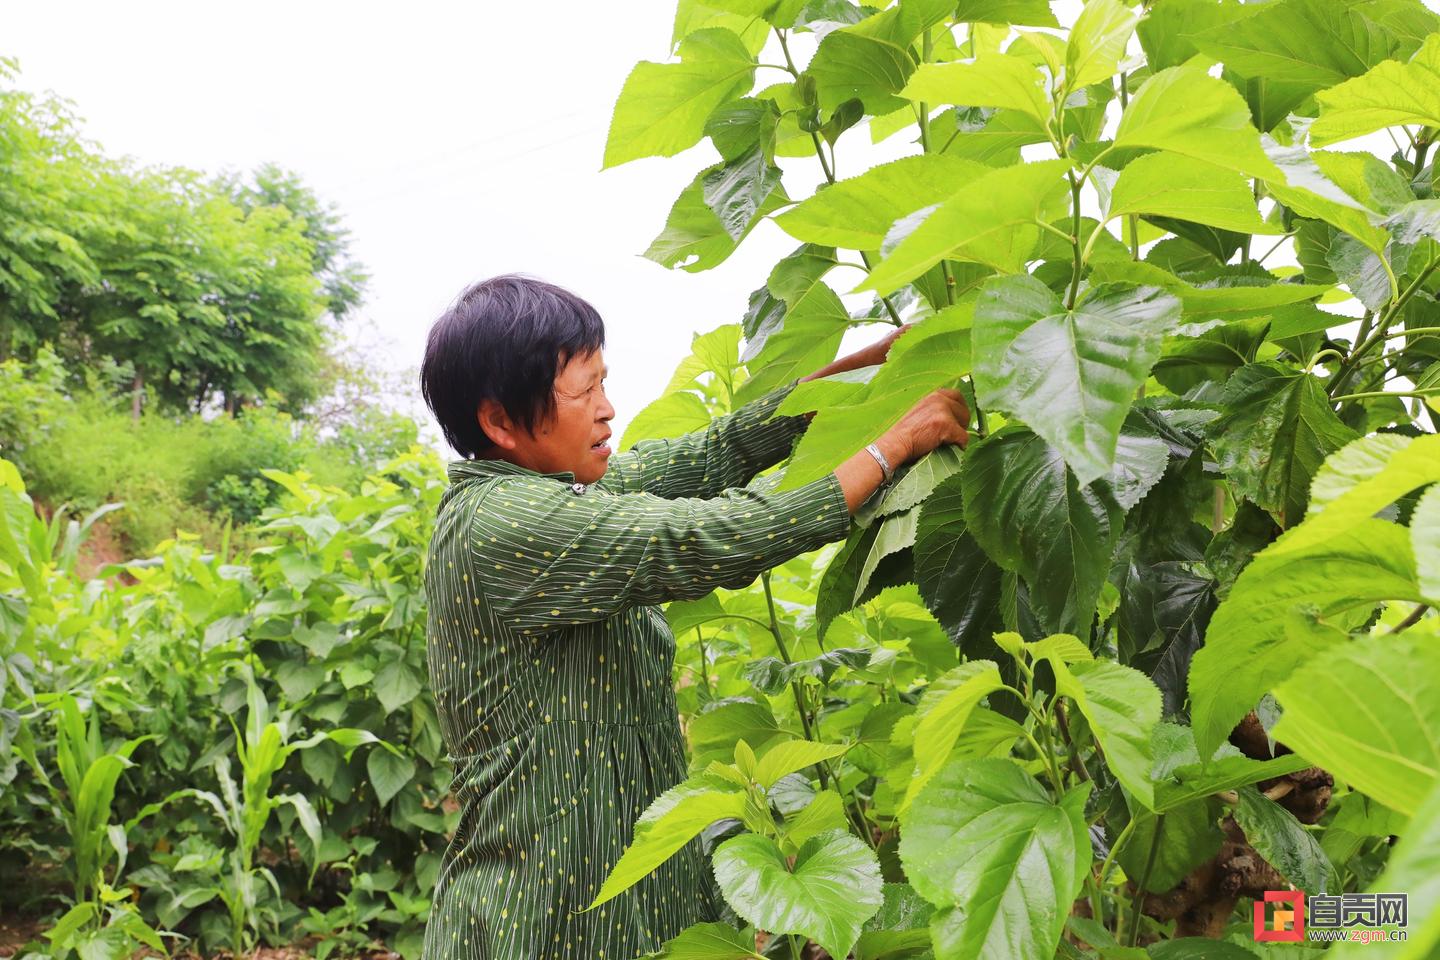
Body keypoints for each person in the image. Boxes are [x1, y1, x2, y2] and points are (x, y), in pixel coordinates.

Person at [417, 274, 969, 960]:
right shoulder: (503, 522)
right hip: (542, 918)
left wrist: (870, 367)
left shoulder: (564, 492)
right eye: (584, 392)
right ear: (500, 421)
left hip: (625, 904)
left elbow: (715, 453)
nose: (607, 409)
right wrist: (892, 445)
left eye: (603, 383)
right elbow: (707, 537)